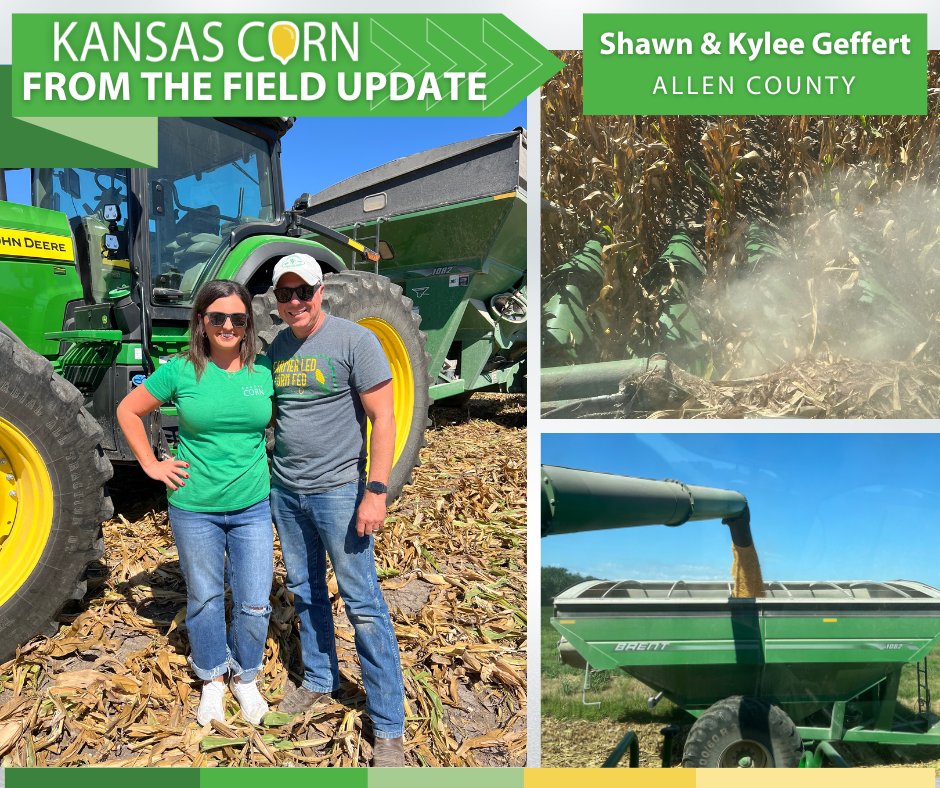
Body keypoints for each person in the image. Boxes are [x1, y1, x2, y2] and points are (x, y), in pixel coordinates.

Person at [266, 252, 407, 767]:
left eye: (303, 291)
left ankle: (388, 727)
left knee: (363, 604)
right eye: (286, 294)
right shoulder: (276, 348)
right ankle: (320, 679)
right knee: (305, 592)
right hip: (287, 493)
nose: (295, 302)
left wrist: (376, 491)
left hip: (339, 492)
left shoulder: (355, 340)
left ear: (320, 291)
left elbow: (384, 417)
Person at [116, 280, 275, 727]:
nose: (228, 326)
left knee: (255, 600)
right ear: (201, 321)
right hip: (195, 508)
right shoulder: (181, 370)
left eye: (237, 318)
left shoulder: (263, 372)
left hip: (252, 506)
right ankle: (213, 678)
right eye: (217, 317)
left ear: (248, 323)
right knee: (205, 597)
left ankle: (245, 676)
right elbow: (128, 410)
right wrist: (152, 464)